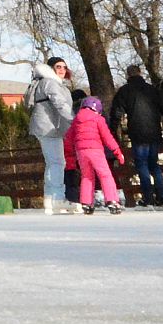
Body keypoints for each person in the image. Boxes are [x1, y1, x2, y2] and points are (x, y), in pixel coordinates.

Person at [108, 64, 163, 208]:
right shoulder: (154, 91)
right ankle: (162, 198)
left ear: (128, 75)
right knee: (154, 165)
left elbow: (116, 113)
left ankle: (148, 198)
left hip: (137, 133)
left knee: (142, 164)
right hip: (154, 133)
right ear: (140, 73)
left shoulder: (125, 91)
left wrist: (113, 132)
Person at [24, 57, 77, 215]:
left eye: (64, 67)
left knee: (53, 162)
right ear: (50, 68)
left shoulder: (46, 82)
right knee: (57, 162)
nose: (62, 70)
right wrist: (75, 121)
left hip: (49, 127)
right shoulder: (50, 83)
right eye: (58, 66)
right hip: (49, 128)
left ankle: (50, 198)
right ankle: (57, 199)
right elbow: (60, 104)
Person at [65, 96, 125, 214]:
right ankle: (112, 200)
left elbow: (68, 138)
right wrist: (117, 150)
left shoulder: (76, 120)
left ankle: (86, 202)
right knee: (105, 175)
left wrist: (69, 155)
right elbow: (107, 137)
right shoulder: (98, 119)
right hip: (95, 150)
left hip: (81, 152)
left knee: (87, 177)